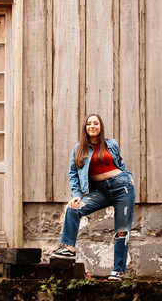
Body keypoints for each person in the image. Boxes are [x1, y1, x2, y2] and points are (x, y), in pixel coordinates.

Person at [52, 113, 136, 280]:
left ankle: (117, 271)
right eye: (89, 123)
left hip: (123, 189)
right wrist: (76, 194)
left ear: (100, 127)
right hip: (101, 191)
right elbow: (73, 174)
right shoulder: (79, 148)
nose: (92, 126)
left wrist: (128, 175)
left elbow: (119, 162)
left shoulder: (111, 144)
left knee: (121, 231)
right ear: (85, 127)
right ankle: (69, 249)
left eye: (96, 123)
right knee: (73, 208)